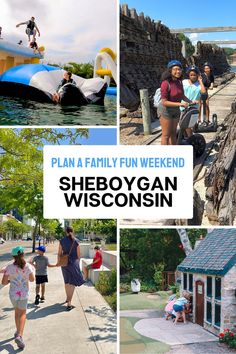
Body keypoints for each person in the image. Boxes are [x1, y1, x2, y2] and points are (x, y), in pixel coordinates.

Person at [1, 246, 34, 349]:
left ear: (13, 256)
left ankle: (17, 331)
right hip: (23, 294)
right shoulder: (27, 266)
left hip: (13, 295)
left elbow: (3, 282)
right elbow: (32, 279)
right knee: (23, 314)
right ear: (23, 255)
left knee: (17, 313)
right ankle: (19, 335)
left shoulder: (9, 267)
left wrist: (11, 280)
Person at [158, 60, 193, 145]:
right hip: (166, 110)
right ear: (170, 70)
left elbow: (182, 96)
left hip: (175, 110)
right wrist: (180, 104)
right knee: (166, 135)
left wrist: (191, 101)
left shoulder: (179, 82)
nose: (178, 71)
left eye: (179, 69)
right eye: (175, 69)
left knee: (173, 134)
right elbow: (164, 102)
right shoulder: (165, 83)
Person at [57, 227, 85, 310]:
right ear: (73, 232)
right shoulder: (76, 241)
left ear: (66, 232)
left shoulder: (62, 241)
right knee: (72, 283)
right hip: (73, 264)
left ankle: (67, 298)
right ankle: (69, 303)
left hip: (64, 263)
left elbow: (59, 253)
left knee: (66, 282)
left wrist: (59, 262)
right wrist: (77, 263)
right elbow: (79, 255)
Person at [181, 65, 206, 136]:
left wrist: (200, 81)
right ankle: (188, 139)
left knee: (189, 126)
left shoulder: (199, 85)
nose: (193, 76)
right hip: (183, 106)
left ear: (197, 75)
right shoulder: (184, 82)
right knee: (183, 125)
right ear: (188, 75)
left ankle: (191, 139)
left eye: (194, 75)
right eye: (191, 75)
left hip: (194, 107)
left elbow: (204, 92)